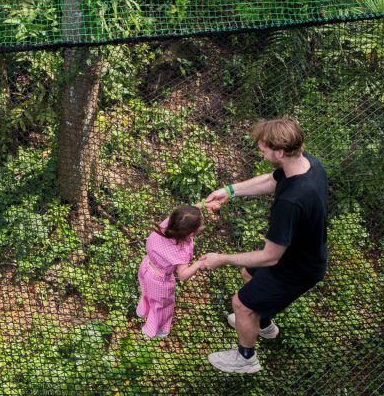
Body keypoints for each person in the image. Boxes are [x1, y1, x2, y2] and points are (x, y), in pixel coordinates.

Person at [198, 118, 328, 374]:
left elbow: (269, 257)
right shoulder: (309, 164)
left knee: (242, 304)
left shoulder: (291, 203)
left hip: (297, 268)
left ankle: (246, 358)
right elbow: (273, 180)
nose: (260, 151)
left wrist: (221, 258)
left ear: (279, 152)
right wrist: (230, 191)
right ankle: (264, 323)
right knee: (248, 274)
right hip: (298, 253)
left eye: (263, 149)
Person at [137, 205, 205, 338]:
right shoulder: (182, 250)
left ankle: (143, 310)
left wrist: (203, 205)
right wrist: (199, 264)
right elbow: (183, 275)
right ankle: (156, 329)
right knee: (161, 306)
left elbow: (184, 214)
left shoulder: (167, 225)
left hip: (146, 268)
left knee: (146, 292)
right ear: (191, 234)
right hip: (160, 282)